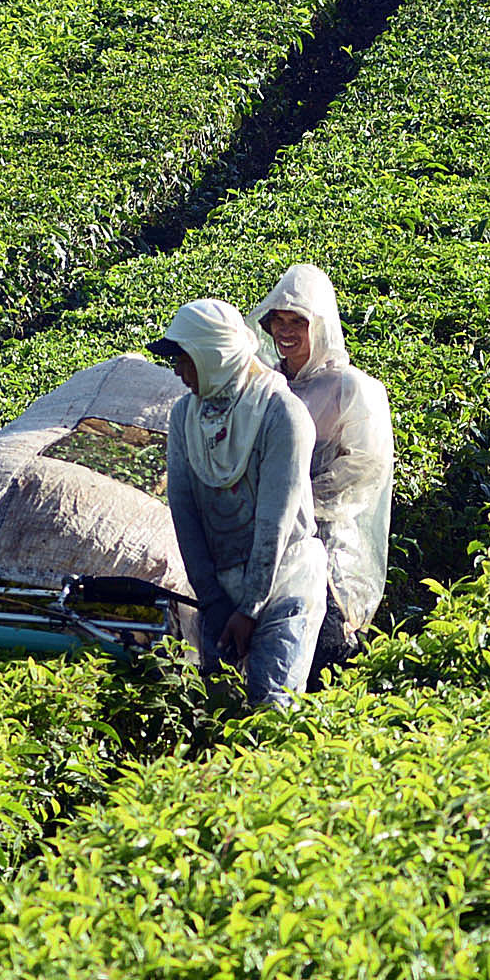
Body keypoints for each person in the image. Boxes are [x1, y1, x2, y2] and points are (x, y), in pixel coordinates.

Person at [150, 297, 326, 709]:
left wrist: (249, 609)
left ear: (213, 357)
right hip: (222, 590)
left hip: (283, 583)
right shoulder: (185, 417)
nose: (177, 371)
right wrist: (214, 601)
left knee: (272, 709)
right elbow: (185, 513)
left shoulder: (282, 414)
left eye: (184, 358)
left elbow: (274, 521)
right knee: (219, 711)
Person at [253, 264, 395, 676]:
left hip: (331, 540)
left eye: (297, 321)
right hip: (271, 531)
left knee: (328, 641)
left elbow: (364, 467)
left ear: (320, 325)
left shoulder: (351, 388)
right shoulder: (267, 383)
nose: (285, 332)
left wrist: (303, 501)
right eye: (278, 321)